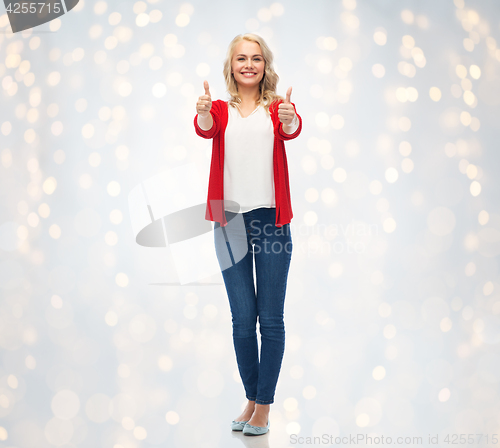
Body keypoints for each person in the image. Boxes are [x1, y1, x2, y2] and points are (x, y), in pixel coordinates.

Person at [194, 33, 302, 436]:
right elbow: (205, 128)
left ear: (265, 65)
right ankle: (253, 397)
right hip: (229, 225)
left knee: (270, 320)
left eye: (256, 58)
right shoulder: (220, 109)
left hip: (272, 221)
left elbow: (291, 128)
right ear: (232, 65)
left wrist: (289, 118)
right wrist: (203, 110)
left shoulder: (278, 109)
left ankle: (264, 407)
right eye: (242, 58)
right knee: (243, 320)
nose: (249, 65)